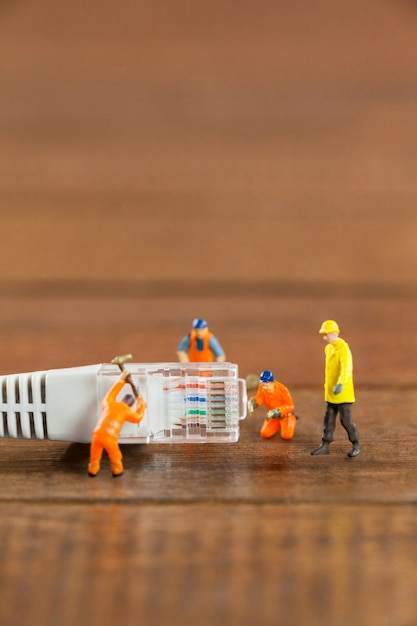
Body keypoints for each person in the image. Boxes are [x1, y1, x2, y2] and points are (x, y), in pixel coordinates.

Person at [311, 320, 361, 457]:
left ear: (334, 334)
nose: (324, 338)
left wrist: (341, 383)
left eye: (326, 334)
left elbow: (347, 368)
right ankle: (325, 444)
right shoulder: (329, 348)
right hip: (331, 392)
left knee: (346, 420)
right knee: (328, 419)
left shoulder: (343, 349)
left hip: (343, 393)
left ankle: (356, 444)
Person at [88, 370, 146, 477]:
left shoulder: (109, 404)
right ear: (130, 405)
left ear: (122, 400)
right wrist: (142, 405)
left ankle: (93, 469)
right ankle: (117, 470)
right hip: (110, 437)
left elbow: (111, 393)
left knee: (95, 455)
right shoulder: (126, 411)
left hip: (97, 434)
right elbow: (138, 418)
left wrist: (121, 381)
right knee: (115, 455)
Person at [248, 370, 297, 440]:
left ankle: (292, 419)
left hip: (285, 416)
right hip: (272, 416)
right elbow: (261, 398)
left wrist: (277, 412)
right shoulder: (262, 387)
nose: (264, 388)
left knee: (287, 435)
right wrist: (254, 403)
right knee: (265, 433)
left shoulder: (283, 390)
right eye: (263, 385)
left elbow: (290, 406)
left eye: (266, 386)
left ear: (272, 383)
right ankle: (277, 425)